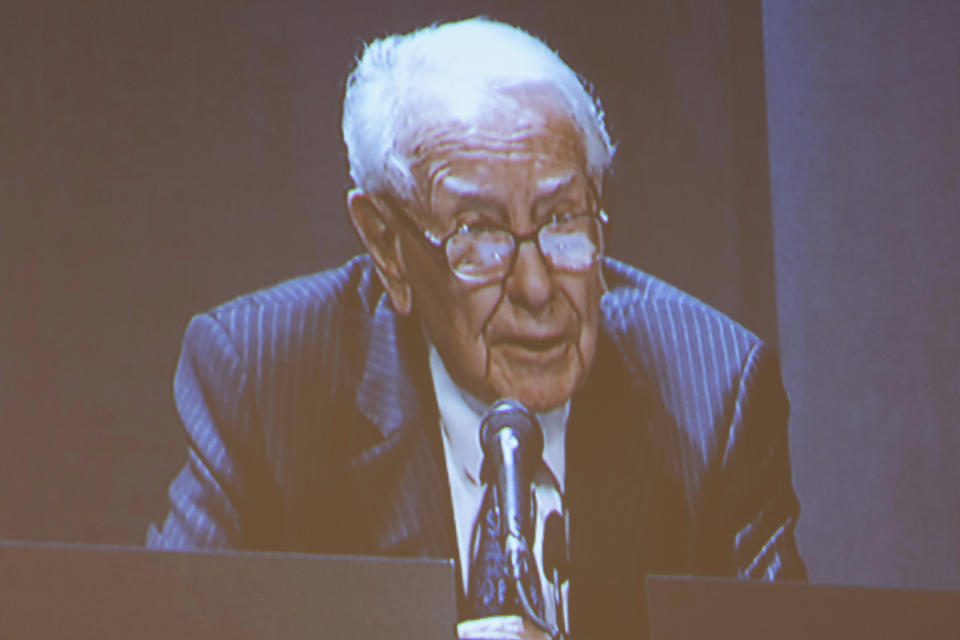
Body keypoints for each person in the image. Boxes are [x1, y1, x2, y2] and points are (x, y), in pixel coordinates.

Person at [148, 17, 806, 639]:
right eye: (479, 233)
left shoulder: (712, 390)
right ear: (387, 246)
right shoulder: (267, 382)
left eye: (563, 220)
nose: (537, 286)